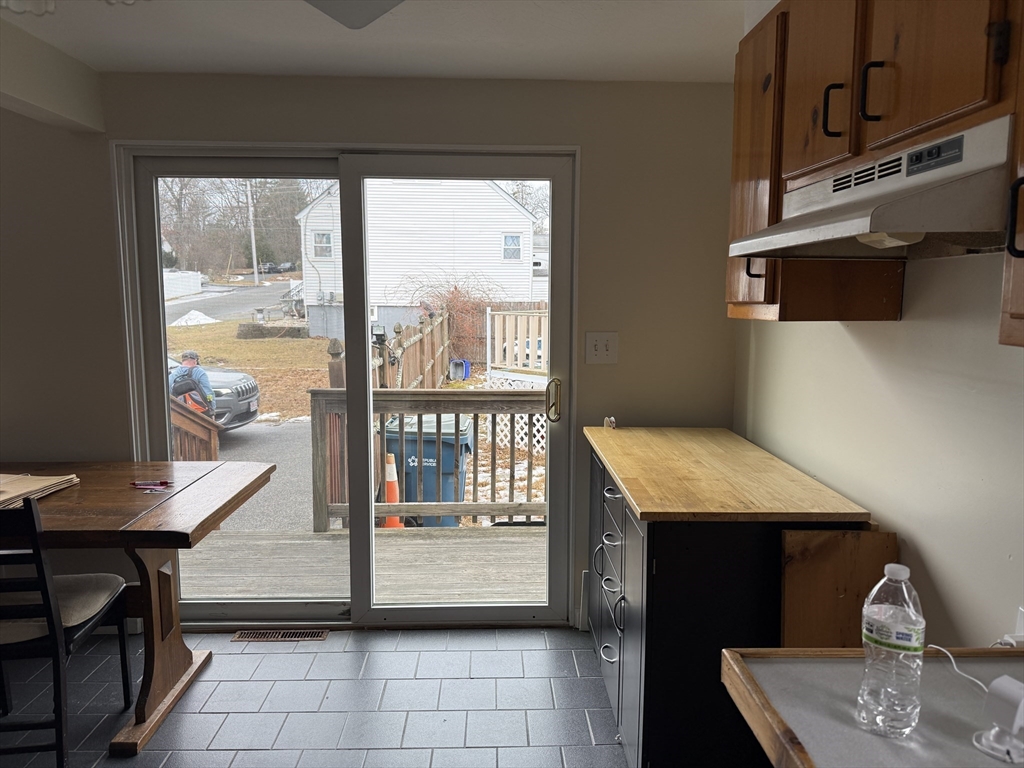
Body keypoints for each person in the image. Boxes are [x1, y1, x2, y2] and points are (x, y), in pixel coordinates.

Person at [169, 350, 215, 416]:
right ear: (195, 361)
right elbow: (208, 393)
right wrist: (212, 408)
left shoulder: (174, 374)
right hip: (200, 412)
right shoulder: (199, 372)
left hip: (181, 413)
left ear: (183, 361)